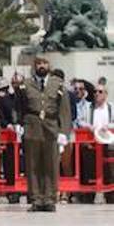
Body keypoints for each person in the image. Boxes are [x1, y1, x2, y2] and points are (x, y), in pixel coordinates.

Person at [18, 56, 71, 212]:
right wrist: (20, 124)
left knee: (51, 165)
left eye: (44, 63)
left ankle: (49, 199)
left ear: (49, 65)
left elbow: (64, 110)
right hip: (32, 126)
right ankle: (35, 199)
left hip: (50, 126)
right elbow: (20, 106)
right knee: (33, 165)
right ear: (34, 66)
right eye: (38, 63)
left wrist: (63, 132)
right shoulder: (25, 84)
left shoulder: (58, 84)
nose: (41, 66)